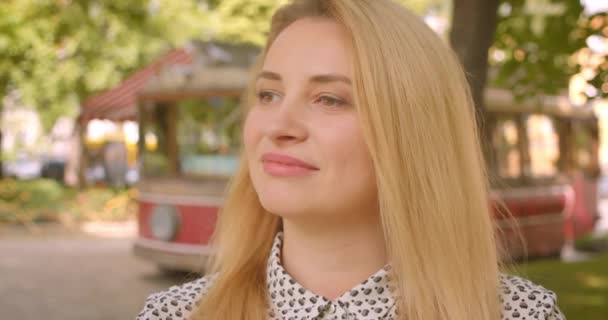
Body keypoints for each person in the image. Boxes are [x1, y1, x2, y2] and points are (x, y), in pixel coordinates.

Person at [137, 0, 565, 319]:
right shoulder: (173, 315)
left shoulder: (521, 315)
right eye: (268, 94)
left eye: (329, 99)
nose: (278, 125)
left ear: (413, 134)